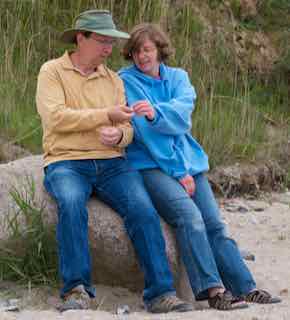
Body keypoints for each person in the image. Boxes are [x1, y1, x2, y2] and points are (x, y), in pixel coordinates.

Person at [36, 10, 195, 313]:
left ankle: (160, 294)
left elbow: (129, 128)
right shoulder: (52, 71)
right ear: (80, 38)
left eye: (111, 42)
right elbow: (55, 118)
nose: (109, 49)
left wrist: (119, 136)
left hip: (112, 163)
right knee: (70, 204)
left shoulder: (112, 79)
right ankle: (75, 290)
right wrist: (105, 116)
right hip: (66, 161)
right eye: (102, 41)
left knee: (143, 210)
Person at [119, 23, 282, 310]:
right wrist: (177, 171)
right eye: (135, 51)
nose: (141, 56)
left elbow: (182, 118)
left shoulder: (179, 78)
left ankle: (246, 287)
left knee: (215, 224)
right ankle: (213, 290)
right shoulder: (126, 81)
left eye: (146, 49)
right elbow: (145, 134)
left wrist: (157, 113)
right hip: (150, 164)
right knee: (189, 216)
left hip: (188, 162)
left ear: (159, 50)